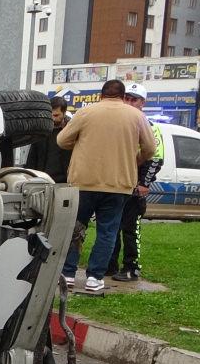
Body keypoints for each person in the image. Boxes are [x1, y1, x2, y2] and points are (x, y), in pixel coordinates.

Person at [57, 79, 156, 293]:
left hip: (84, 181)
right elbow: (150, 149)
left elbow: (62, 140)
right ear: (122, 96)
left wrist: (81, 144)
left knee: (76, 228)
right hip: (118, 184)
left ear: (101, 95)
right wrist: (135, 160)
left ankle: (68, 273)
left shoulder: (85, 113)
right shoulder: (137, 116)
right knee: (108, 231)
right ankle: (95, 277)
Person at [108, 83, 163, 282]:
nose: (130, 103)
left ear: (143, 103)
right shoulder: (120, 124)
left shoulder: (150, 127)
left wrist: (144, 183)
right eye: (127, 98)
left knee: (130, 229)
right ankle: (109, 265)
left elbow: (156, 158)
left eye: (134, 99)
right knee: (111, 226)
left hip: (135, 186)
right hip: (116, 184)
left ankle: (132, 267)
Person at [26, 96, 72, 185]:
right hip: (41, 181)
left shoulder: (71, 132)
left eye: (56, 115)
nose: (53, 118)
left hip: (64, 182)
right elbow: (32, 158)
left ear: (64, 113)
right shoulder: (41, 131)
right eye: (50, 115)